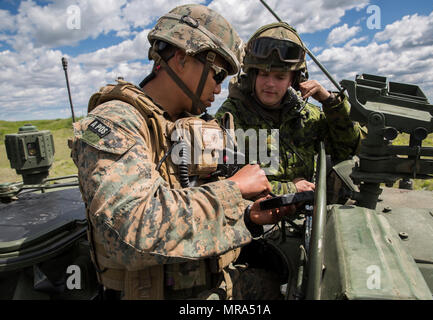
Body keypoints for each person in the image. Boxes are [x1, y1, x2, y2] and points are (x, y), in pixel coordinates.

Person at [70, 5, 294, 300]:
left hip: (209, 285)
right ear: (182, 59)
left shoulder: (190, 125)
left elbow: (192, 202)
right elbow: (133, 230)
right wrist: (234, 189)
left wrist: (250, 217)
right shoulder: (115, 121)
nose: (219, 88)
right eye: (217, 74)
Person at [215, 22, 362, 196]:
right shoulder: (231, 115)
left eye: (280, 77)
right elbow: (221, 183)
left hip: (305, 214)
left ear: (294, 81)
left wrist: (330, 101)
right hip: (251, 217)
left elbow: (347, 149)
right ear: (251, 76)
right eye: (263, 74)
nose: (270, 84)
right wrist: (289, 189)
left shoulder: (306, 115)